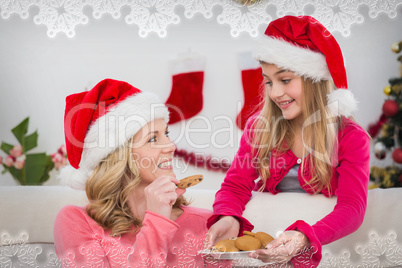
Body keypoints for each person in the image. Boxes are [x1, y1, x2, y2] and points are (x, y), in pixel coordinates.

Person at [206, 15, 370, 267]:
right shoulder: (258, 129)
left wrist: (304, 237)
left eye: (285, 80)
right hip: (265, 248)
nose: (274, 93)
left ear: (315, 79)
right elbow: (235, 186)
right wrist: (229, 217)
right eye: (268, 81)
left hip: (327, 250)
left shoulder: (350, 137)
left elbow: (353, 207)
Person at [54, 79, 221, 267]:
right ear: (118, 157)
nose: (171, 146)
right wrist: (157, 221)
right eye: (152, 139)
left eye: (166, 134)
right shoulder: (76, 222)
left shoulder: (206, 223)